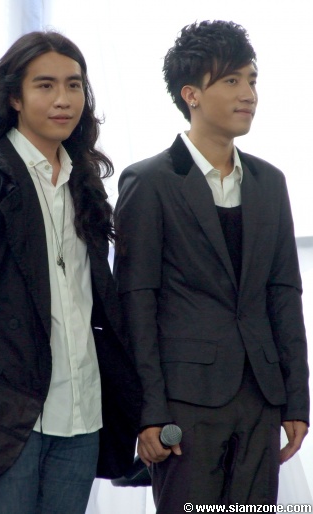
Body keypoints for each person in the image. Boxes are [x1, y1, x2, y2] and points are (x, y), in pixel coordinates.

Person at [0, 31, 141, 514]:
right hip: (10, 416)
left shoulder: (84, 180)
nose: (63, 99)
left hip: (83, 411)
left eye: (74, 85)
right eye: (45, 85)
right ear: (14, 98)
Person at [113, 20, 309, 510]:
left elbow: (284, 295)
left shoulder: (270, 182)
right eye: (232, 80)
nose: (249, 94)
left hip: (261, 396)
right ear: (191, 94)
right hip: (184, 402)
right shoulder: (149, 182)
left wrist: (297, 399)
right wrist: (148, 410)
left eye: (252, 80)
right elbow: (137, 304)